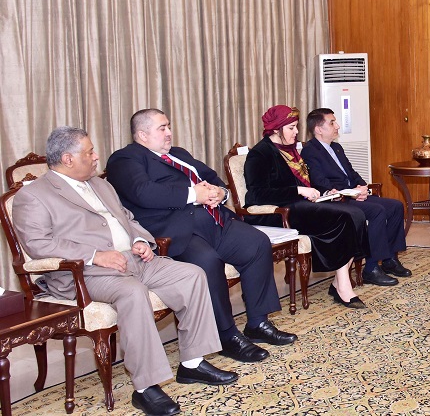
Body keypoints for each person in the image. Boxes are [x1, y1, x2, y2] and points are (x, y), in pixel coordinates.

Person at [13, 127, 238, 416]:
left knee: (192, 275)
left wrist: (140, 240)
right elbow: (38, 243)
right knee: (133, 292)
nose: (96, 157)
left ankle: (193, 364)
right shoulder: (33, 196)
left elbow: (127, 218)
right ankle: (146, 388)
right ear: (68, 158)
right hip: (84, 273)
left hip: (133, 260)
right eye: (90, 152)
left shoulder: (100, 184)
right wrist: (96, 256)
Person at [106, 109, 297, 366]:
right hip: (175, 231)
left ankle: (258, 322)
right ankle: (226, 335)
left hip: (215, 221)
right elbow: (143, 193)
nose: (169, 132)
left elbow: (212, 178)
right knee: (208, 262)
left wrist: (220, 192)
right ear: (142, 134)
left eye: (169, 126)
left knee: (257, 243)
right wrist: (192, 195)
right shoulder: (126, 159)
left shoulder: (180, 154)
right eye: (162, 128)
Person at [243, 105, 373, 308]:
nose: (296, 132)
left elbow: (308, 182)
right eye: (292, 128)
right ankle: (344, 287)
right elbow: (256, 194)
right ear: (276, 129)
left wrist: (320, 193)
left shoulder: (291, 150)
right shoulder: (260, 154)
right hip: (278, 213)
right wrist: (298, 191)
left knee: (355, 214)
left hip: (301, 206)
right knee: (343, 217)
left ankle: (338, 281)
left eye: (296, 127)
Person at [302, 108, 412, 281]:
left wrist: (362, 187)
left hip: (351, 194)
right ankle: (371, 268)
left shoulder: (336, 147)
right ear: (318, 129)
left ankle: (390, 259)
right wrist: (350, 194)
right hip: (336, 200)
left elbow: (351, 173)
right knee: (376, 211)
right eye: (332, 123)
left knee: (395, 206)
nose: (337, 125)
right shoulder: (310, 151)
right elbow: (319, 181)